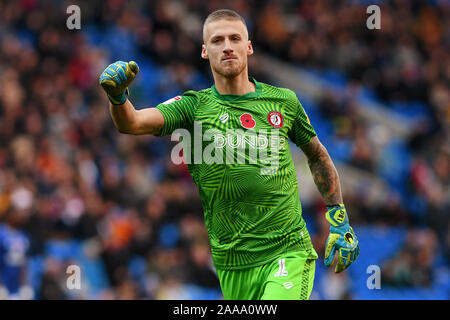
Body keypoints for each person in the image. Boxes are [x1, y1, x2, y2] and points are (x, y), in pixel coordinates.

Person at [99, 9, 359, 300]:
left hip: (287, 251)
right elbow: (131, 123)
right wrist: (118, 97)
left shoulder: (283, 102)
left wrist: (339, 216)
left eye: (235, 38)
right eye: (217, 40)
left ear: (248, 46)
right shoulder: (192, 107)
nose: (227, 46)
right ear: (204, 51)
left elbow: (318, 156)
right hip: (231, 264)